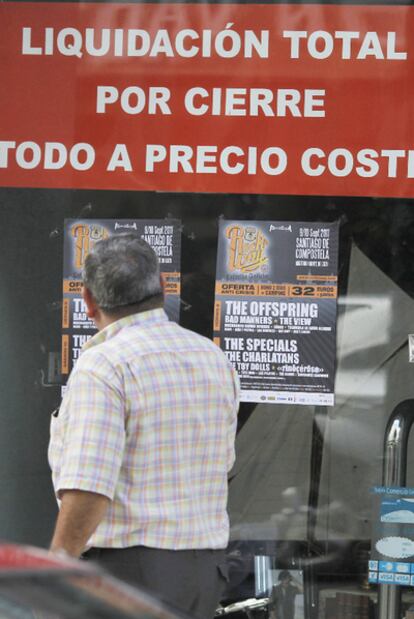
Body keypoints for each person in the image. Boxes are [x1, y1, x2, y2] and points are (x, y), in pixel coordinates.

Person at [48, 233, 240, 619]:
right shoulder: (212, 357)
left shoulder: (106, 365)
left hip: (128, 576)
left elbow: (88, 487)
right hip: (203, 572)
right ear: (163, 287)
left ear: (87, 301)